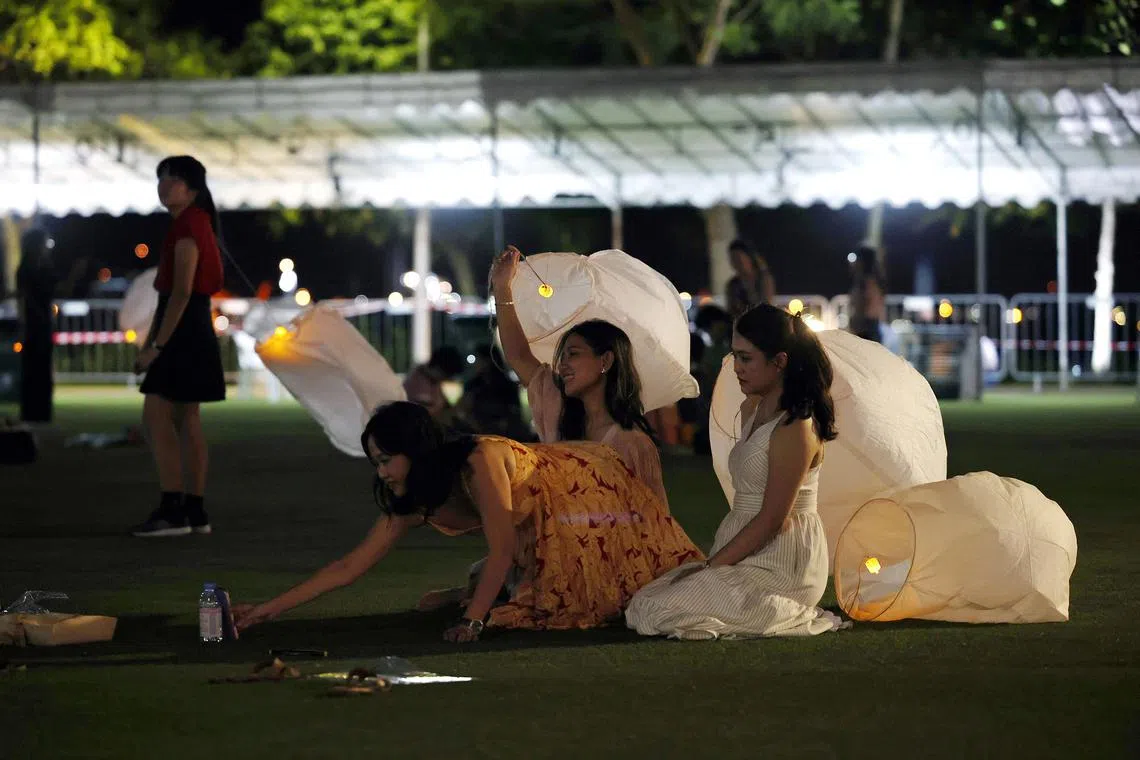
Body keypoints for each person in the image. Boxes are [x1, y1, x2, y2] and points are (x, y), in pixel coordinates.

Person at [233, 401, 703, 640]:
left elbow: (500, 549)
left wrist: (473, 622)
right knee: (504, 585)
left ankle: (478, 595)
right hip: (533, 520)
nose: (380, 472)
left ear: (414, 452)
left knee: (576, 603)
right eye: (374, 462)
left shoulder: (478, 461)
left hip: (584, 491)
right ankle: (478, 591)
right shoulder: (410, 495)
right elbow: (349, 566)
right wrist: (267, 610)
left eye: (385, 460)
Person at [625, 304, 850, 639]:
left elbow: (774, 518)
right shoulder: (751, 408)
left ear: (779, 362)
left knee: (660, 610)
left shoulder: (795, 427)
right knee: (644, 601)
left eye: (747, 359)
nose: (737, 369)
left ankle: (780, 606)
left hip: (781, 558)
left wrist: (712, 566)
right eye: (735, 357)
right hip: (744, 544)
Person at [488, 245, 668, 508]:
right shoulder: (558, 408)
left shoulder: (631, 444)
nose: (562, 365)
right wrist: (502, 287)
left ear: (605, 360)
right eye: (561, 356)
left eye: (573, 354)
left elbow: (654, 522)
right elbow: (518, 355)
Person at [130, 156, 226, 538]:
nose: (164, 185)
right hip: (192, 326)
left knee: (157, 416)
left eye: (172, 180)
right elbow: (174, 294)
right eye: (161, 179)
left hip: (185, 329)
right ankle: (195, 510)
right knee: (187, 419)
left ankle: (173, 509)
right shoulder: (193, 223)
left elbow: (181, 291)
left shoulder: (188, 225)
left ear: (192, 188)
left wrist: (156, 345)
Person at [15, 229, 58, 423]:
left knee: (41, 368)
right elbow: (24, 299)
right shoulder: (27, 269)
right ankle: (34, 411)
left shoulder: (43, 268)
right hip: (34, 325)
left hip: (41, 325)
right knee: (34, 368)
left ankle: (41, 411)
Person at [403, 345, 465, 426]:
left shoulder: (432, 380)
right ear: (438, 369)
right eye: (447, 375)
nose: (447, 379)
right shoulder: (419, 386)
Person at [725, 239, 776, 318]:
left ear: (749, 257)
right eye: (732, 258)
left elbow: (765, 305)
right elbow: (731, 310)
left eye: (738, 258)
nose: (735, 263)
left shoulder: (763, 279)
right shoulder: (733, 284)